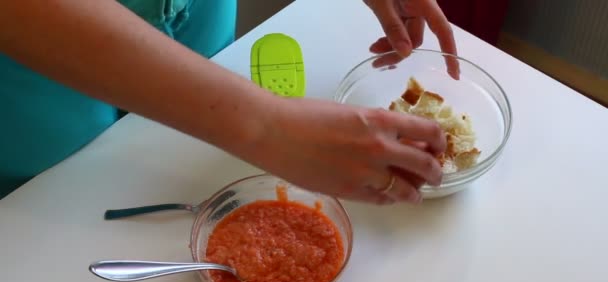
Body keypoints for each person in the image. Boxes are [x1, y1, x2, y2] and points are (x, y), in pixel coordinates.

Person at [0, 0, 458, 204]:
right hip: (35, 50)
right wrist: (264, 127)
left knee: (192, 175)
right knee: (51, 219)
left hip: (194, 8)